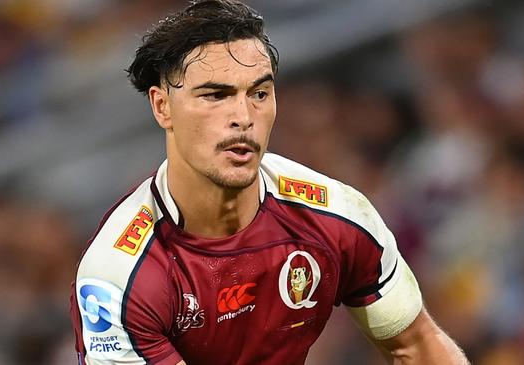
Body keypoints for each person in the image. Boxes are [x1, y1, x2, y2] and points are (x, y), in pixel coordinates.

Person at [70, 1, 470, 364]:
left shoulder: (338, 215)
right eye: (215, 96)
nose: (243, 116)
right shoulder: (119, 276)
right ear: (162, 107)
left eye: (259, 92)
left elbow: (417, 346)